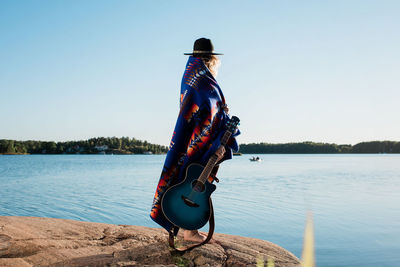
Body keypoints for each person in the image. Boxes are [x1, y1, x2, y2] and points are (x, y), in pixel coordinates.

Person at [150, 38, 239, 243]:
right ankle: (188, 231)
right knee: (194, 180)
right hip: (201, 143)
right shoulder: (203, 80)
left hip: (190, 138)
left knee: (185, 180)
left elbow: (205, 110)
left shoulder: (190, 74)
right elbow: (209, 112)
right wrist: (217, 142)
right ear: (213, 60)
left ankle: (182, 228)